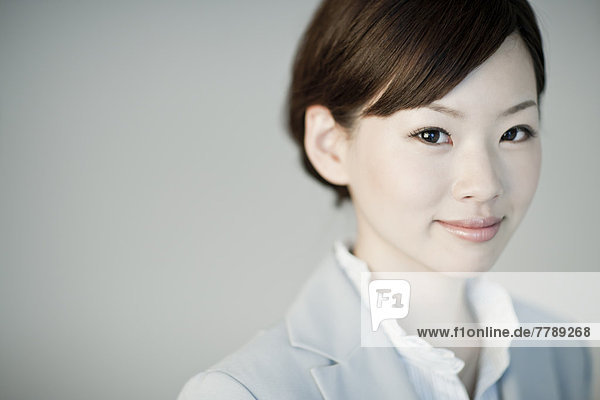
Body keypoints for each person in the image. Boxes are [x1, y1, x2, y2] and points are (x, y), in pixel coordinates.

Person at [177, 0, 593, 398]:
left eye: (514, 132)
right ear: (330, 146)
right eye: (432, 134)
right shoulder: (245, 393)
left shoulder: (562, 356)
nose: (484, 185)